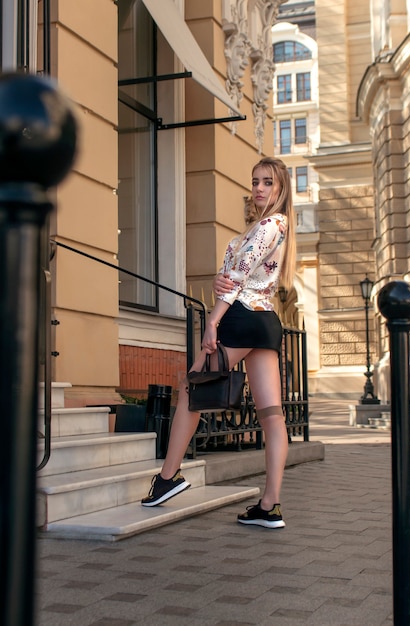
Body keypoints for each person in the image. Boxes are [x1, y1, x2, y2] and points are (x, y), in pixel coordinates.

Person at [141, 156, 295, 529]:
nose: (259, 188)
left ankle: (167, 478)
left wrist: (212, 321)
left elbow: (240, 276)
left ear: (281, 189)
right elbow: (233, 274)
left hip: (241, 318)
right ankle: (269, 506)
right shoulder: (266, 227)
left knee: (190, 388)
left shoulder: (271, 224)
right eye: (255, 181)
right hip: (264, 321)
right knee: (271, 414)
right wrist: (217, 281)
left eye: (267, 183)